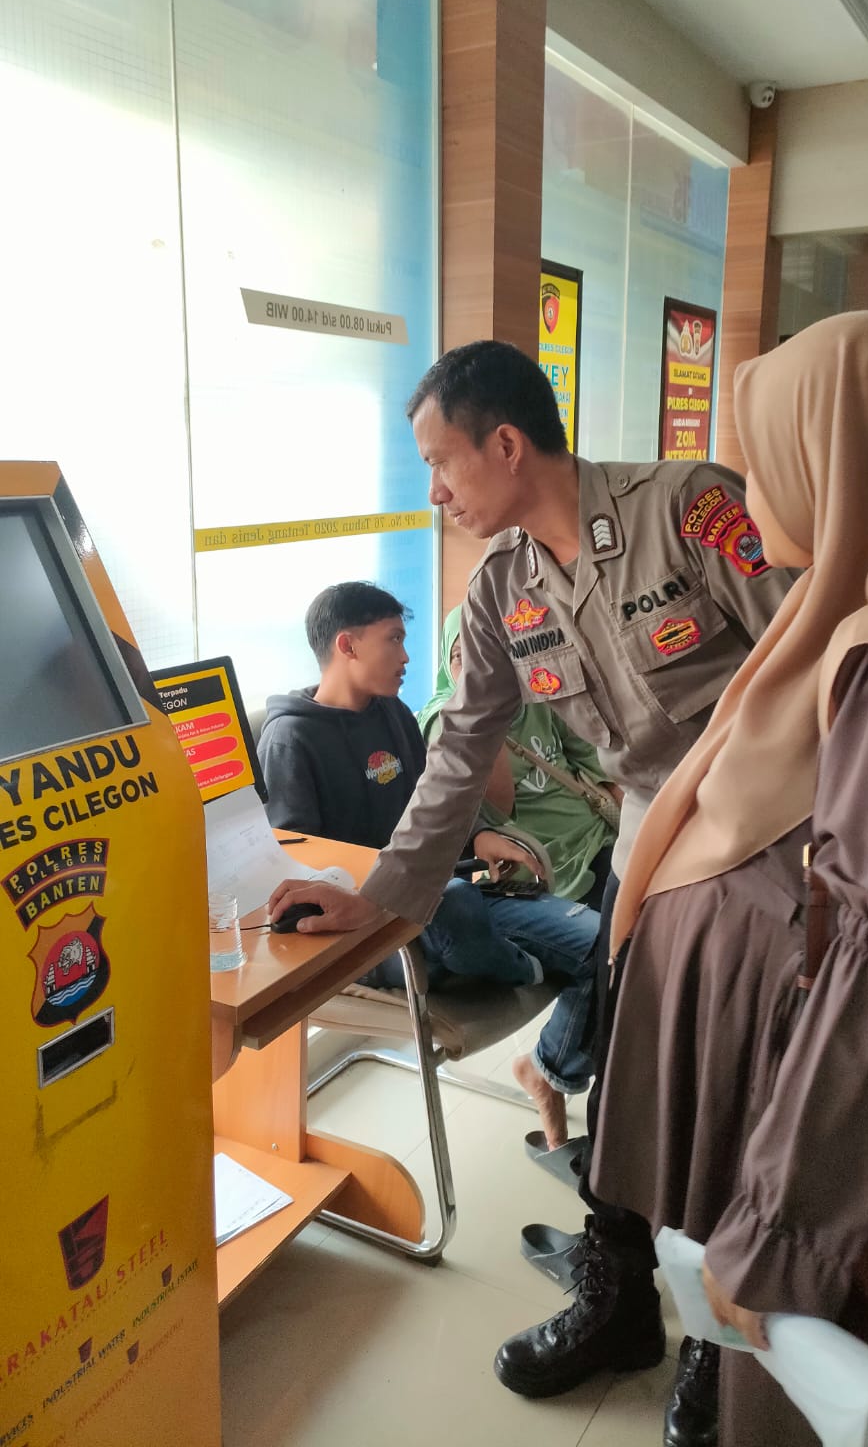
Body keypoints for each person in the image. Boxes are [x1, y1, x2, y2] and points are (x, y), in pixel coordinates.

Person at [266, 342, 795, 1436]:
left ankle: (720, 1337)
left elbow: (821, 650)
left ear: (505, 444)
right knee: (632, 1081)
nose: (434, 490)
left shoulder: (687, 509)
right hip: (652, 847)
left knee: (743, 1099)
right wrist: (385, 897)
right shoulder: (498, 590)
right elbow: (458, 752)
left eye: (440, 461)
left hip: (771, 841)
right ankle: (620, 1302)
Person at [576, 310, 868, 1446]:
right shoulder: (833, 617)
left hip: (824, 1164)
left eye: (762, 463)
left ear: (835, 460)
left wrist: (776, 1233)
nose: (744, 494)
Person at [258, 581, 602, 1063]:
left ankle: (552, 1069)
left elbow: (438, 801)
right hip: (373, 933)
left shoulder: (394, 713)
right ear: (347, 645)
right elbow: (300, 865)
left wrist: (481, 835)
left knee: (610, 946)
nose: (407, 657)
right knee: (456, 903)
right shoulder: (290, 740)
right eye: (394, 639)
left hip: (443, 899)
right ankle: (514, 964)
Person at [419, 602, 618, 1147]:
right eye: (466, 656)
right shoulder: (446, 718)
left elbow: (595, 765)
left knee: (667, 934)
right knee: (621, 954)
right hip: (539, 872)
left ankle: (583, 1071)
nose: (486, 665)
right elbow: (496, 810)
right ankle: (552, 1072)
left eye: (497, 652)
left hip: (597, 841)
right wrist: (481, 709)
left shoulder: (539, 696)